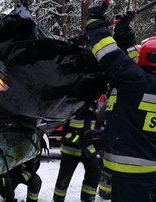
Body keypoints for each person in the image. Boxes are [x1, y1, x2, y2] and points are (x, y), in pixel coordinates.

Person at [86, 1, 156, 201]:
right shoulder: (140, 81)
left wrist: (94, 22)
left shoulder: (135, 81)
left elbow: (109, 55)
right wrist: (124, 30)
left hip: (131, 176)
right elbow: (131, 57)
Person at [52, 106, 100, 202]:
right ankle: (58, 199)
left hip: (87, 151)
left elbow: (95, 133)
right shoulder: (72, 110)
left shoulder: (93, 114)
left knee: (94, 172)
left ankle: (88, 198)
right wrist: (76, 140)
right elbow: (65, 133)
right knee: (64, 177)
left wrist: (94, 146)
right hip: (70, 151)